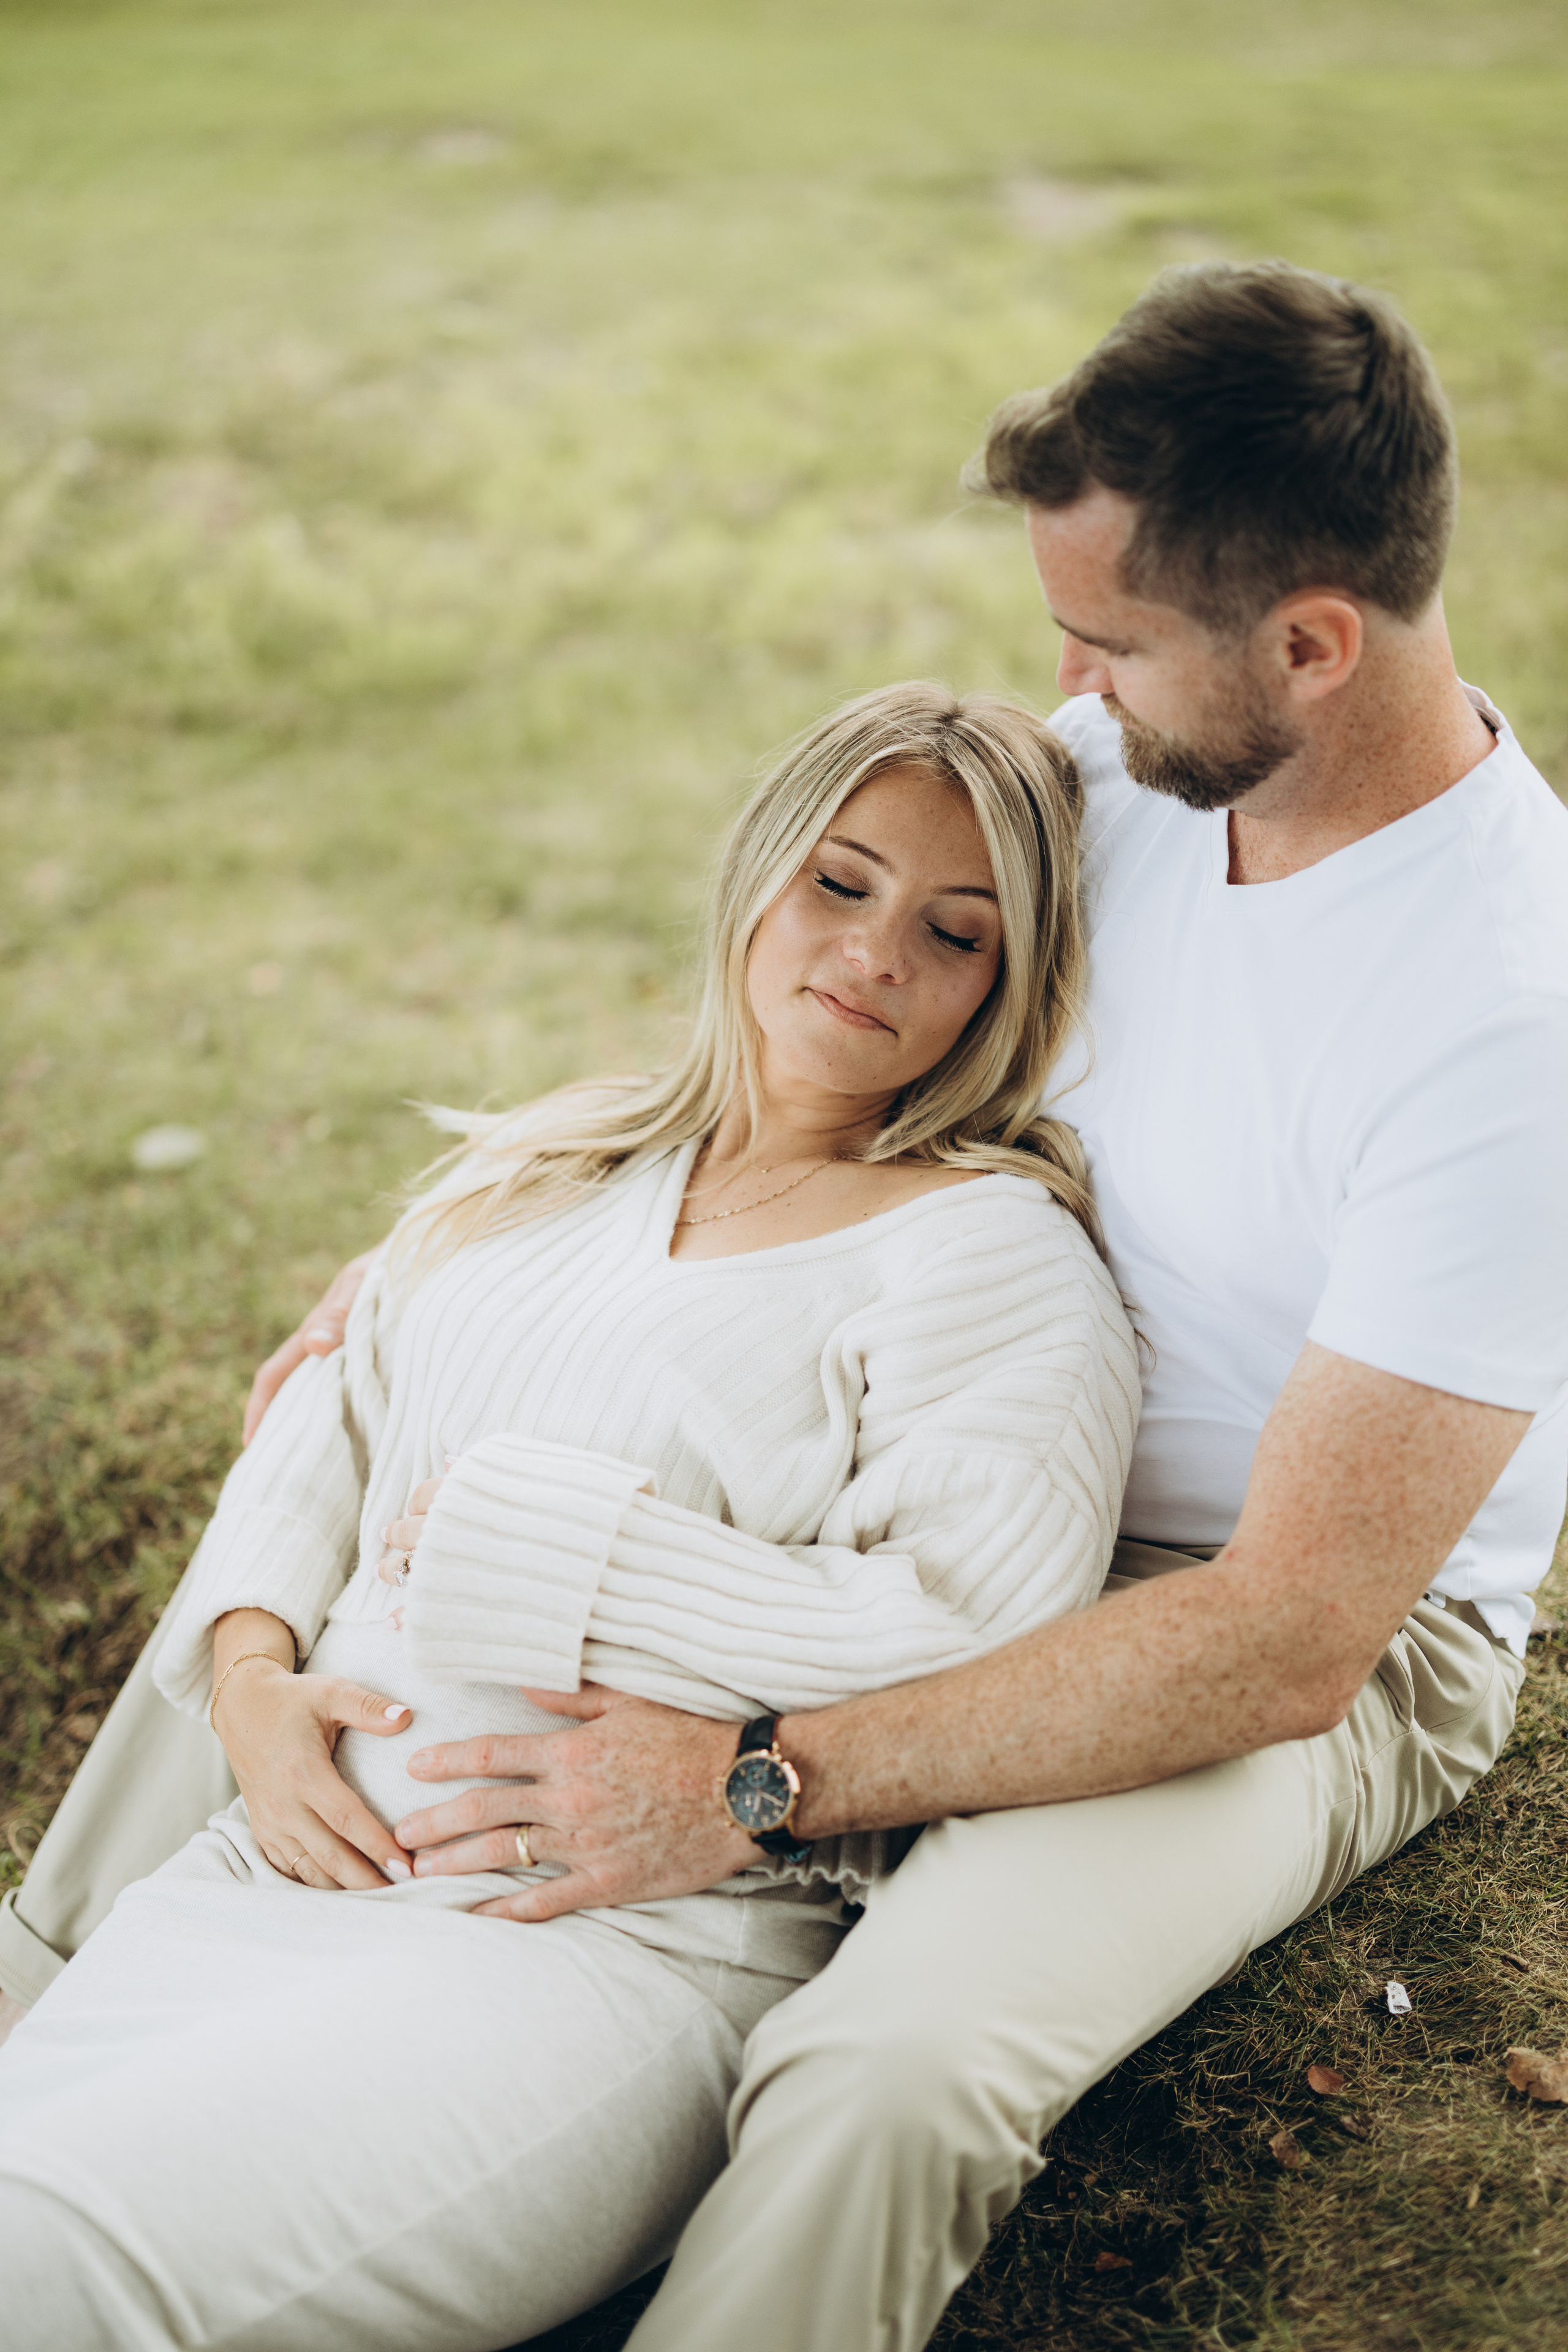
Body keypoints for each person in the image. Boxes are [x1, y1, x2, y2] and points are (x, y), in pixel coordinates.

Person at [3, 258, 1566, 2352]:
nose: (1069, 685)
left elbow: (1290, 1636)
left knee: (883, 2075)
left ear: (1310, 641)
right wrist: (477, 1238)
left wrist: (761, 1776)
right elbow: (840, 941)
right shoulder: (1133, 772)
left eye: (1106, 637)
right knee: (327, 1549)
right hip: (971, 1440)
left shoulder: (1502, 1015)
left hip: (1275, 1613)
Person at [0, 685, 1140, 2349]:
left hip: (604, 1950)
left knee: (54, 2268)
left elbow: (974, 1625)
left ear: (1008, 983)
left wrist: (542, 1549)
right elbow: (332, 1399)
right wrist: (251, 1683)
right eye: (842, 882)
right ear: (758, 875)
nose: (878, 952)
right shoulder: (571, 1155)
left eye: (954, 932)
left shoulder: (989, 1258)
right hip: (276, 1874)